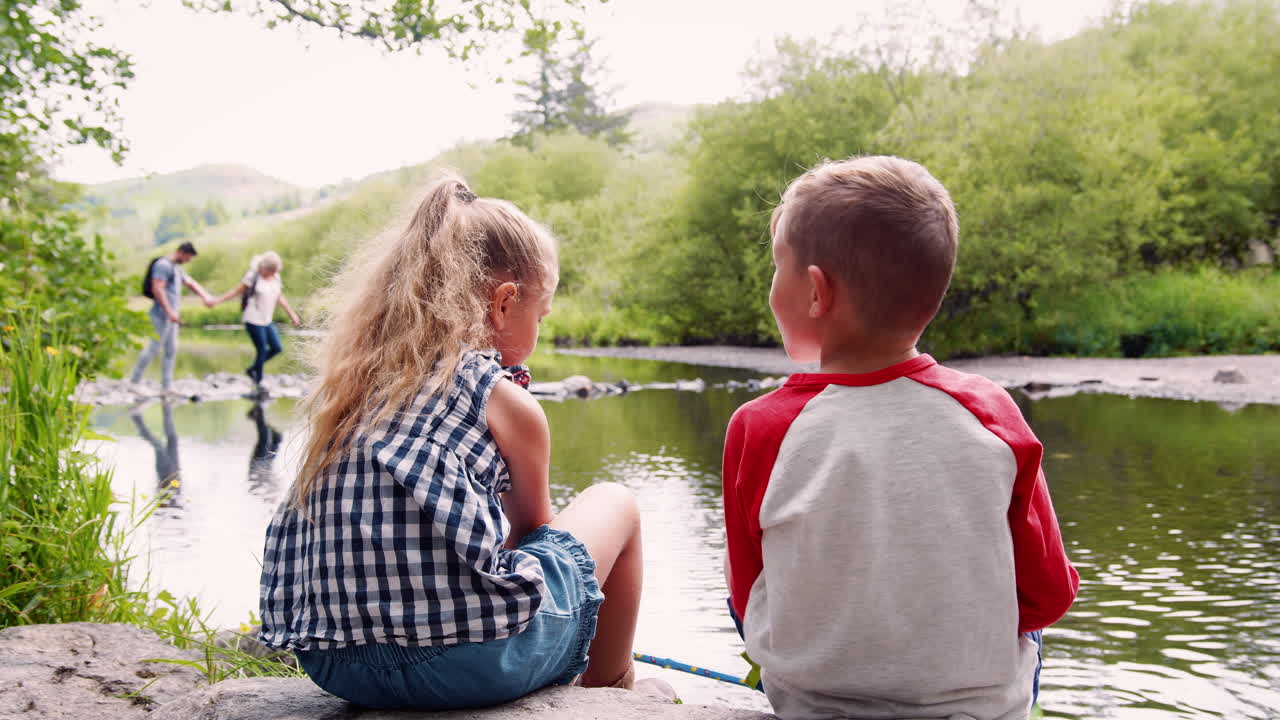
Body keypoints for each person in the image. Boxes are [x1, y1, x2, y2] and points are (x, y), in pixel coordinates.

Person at [258, 176, 662, 711]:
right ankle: (612, 691)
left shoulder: (351, 393)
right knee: (617, 503)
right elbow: (532, 542)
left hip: (336, 664)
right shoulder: (505, 403)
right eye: (541, 315)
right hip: (462, 666)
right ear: (503, 304)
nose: (541, 328)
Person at [721, 156, 1080, 720]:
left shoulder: (762, 426)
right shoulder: (990, 412)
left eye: (777, 266)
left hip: (811, 704)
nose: (772, 283)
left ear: (816, 293)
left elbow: (748, 596)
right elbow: (1047, 597)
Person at [130, 241, 215, 391]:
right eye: (189, 258)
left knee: (171, 349)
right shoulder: (163, 265)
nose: (189, 261)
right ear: (182, 252)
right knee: (154, 348)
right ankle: (134, 382)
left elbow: (190, 283)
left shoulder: (176, 268)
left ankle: (167, 384)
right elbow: (157, 289)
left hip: (171, 316)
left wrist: (205, 296)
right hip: (161, 315)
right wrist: (169, 312)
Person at [209, 251, 301, 385]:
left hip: (266, 319)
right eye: (269, 272)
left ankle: (252, 369)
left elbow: (279, 296)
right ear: (263, 268)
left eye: (273, 272)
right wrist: (217, 301)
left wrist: (291, 313)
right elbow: (236, 291)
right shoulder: (252, 276)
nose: (271, 274)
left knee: (277, 348)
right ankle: (259, 381)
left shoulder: (275, 277)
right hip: (252, 318)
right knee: (262, 349)